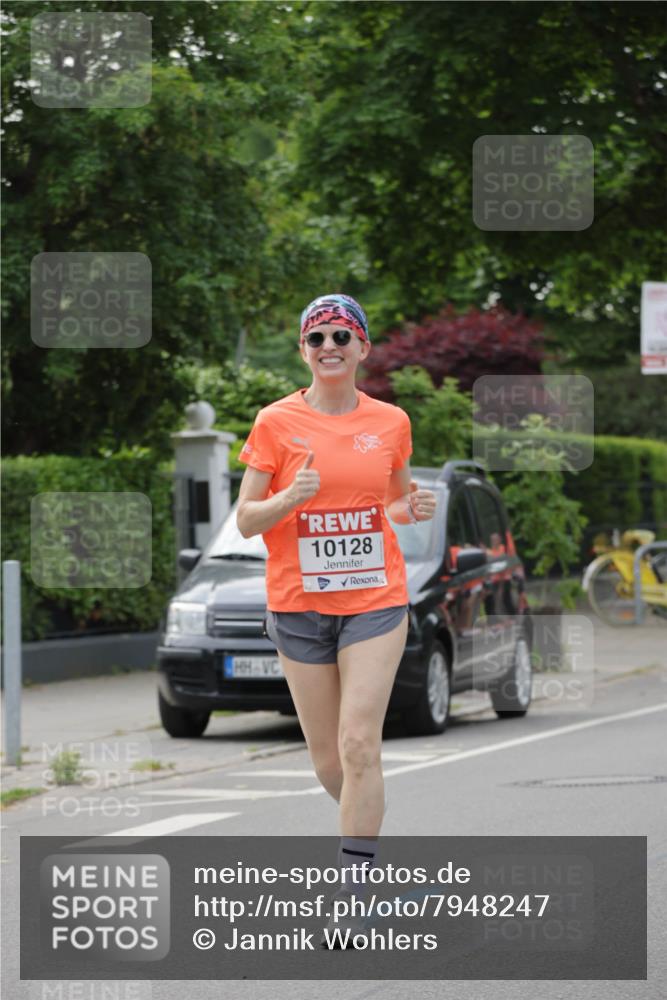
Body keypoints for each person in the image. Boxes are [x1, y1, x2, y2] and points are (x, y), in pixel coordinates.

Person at [236, 293, 437, 946]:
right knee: (328, 761)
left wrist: (416, 506)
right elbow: (245, 520)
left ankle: (353, 896)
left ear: (362, 349)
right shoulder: (274, 422)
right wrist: (287, 499)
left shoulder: (390, 422)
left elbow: (392, 503)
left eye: (341, 337)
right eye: (316, 337)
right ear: (303, 349)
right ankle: (367, 834)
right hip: (297, 606)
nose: (329, 346)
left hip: (374, 601)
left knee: (358, 745)